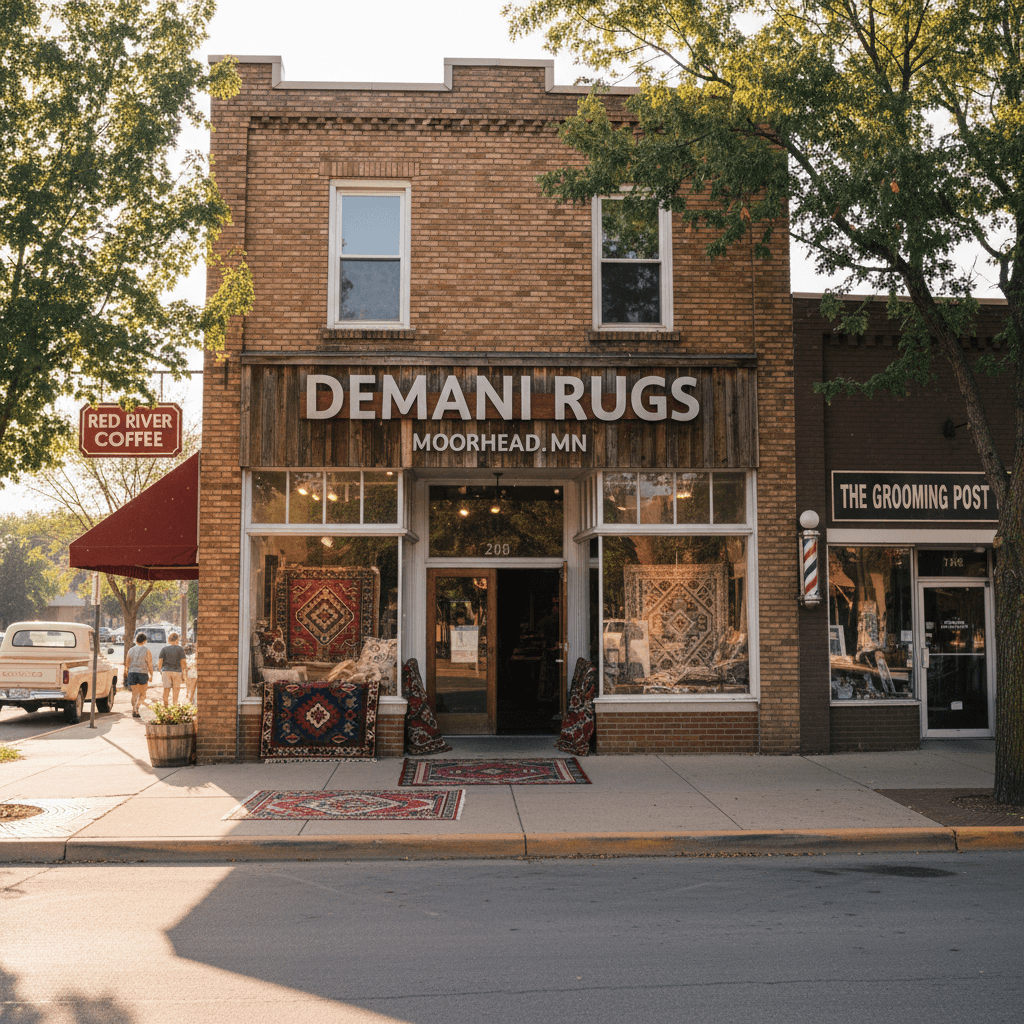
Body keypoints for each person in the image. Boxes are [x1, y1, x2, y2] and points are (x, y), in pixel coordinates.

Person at [124, 632, 153, 718]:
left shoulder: (130, 650)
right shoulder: (147, 651)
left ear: (136, 640)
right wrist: (151, 674)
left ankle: (134, 709)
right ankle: (137, 706)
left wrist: (126, 673)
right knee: (143, 695)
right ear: (145, 641)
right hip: (142, 673)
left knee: (134, 693)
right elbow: (149, 664)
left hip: (132, 673)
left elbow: (127, 663)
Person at [157, 632, 188, 706]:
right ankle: (174, 707)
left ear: (169, 640)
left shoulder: (164, 649)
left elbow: (160, 663)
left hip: (166, 671)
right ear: (177, 639)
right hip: (177, 672)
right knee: (176, 690)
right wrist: (184, 673)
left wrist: (161, 672)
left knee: (166, 690)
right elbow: (183, 662)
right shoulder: (180, 649)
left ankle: (165, 706)